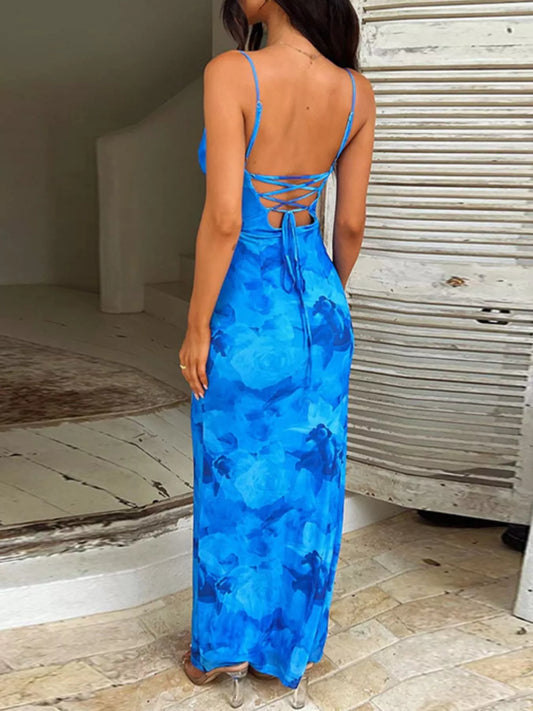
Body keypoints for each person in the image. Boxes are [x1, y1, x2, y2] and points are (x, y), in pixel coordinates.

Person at [178, 0, 375, 706]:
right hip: (318, 302)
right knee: (308, 477)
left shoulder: (233, 71)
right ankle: (286, 649)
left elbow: (225, 218)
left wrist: (196, 325)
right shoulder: (356, 91)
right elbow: (348, 226)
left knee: (230, 473)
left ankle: (222, 650)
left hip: (246, 304)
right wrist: (322, 303)